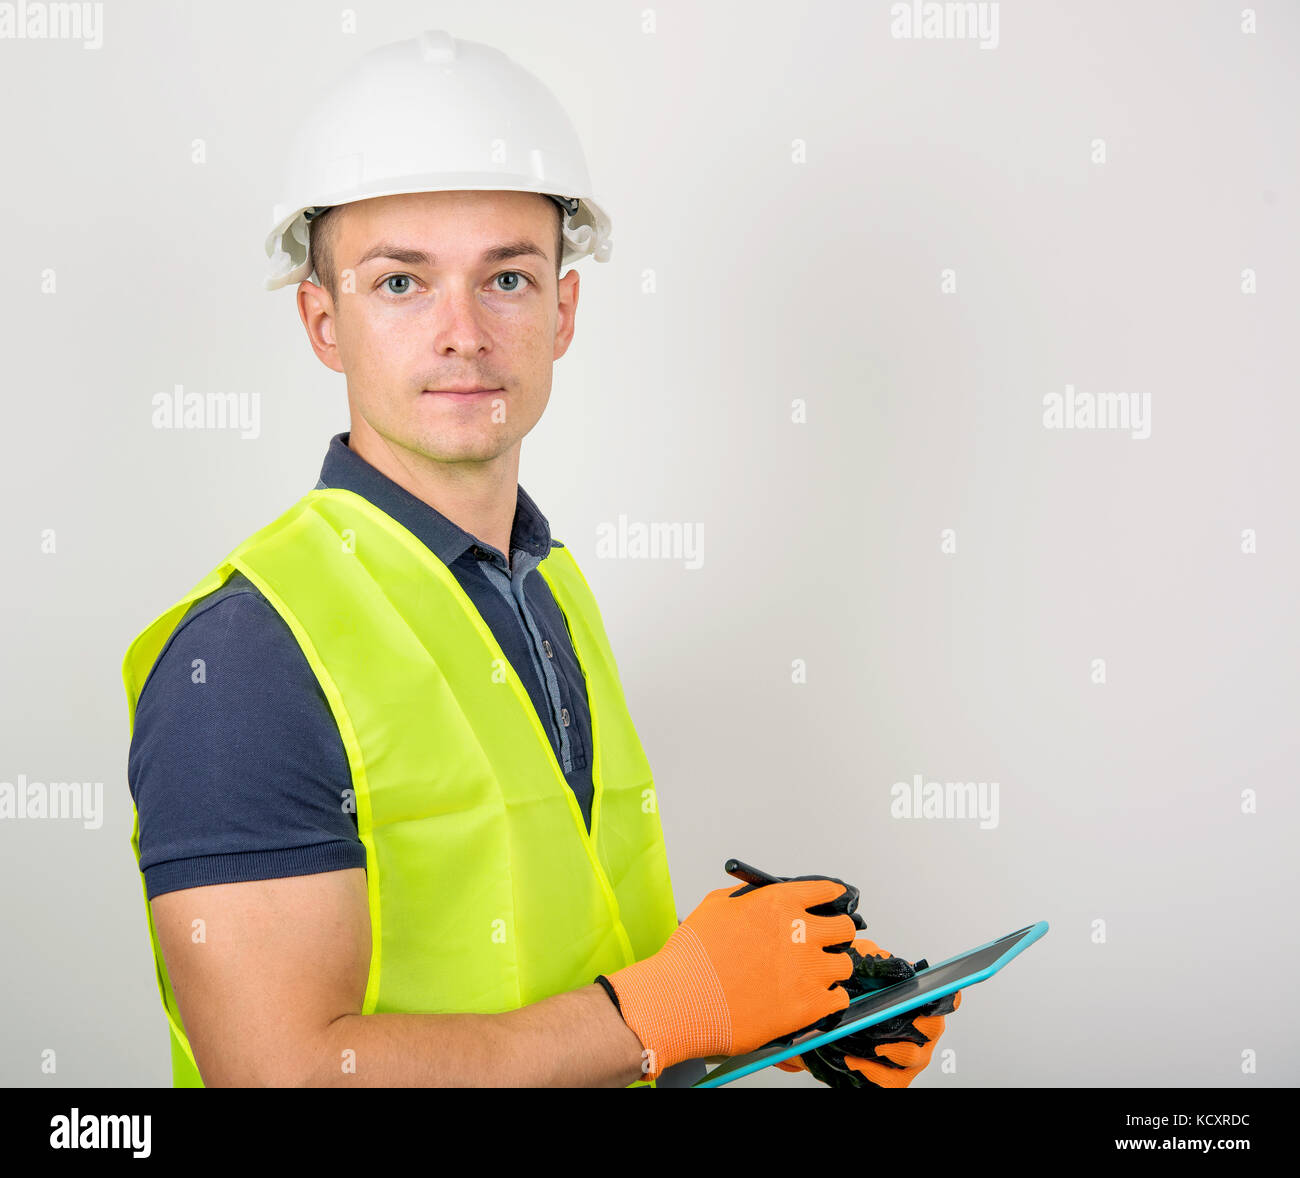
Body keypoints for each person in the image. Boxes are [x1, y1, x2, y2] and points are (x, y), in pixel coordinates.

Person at [122, 29, 956, 1088]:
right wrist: (672, 1002)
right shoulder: (245, 657)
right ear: (322, 323)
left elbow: (561, 959)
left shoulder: (543, 583)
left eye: (506, 277)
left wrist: (772, 998)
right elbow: (283, 1071)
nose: (463, 332)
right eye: (399, 284)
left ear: (562, 310)